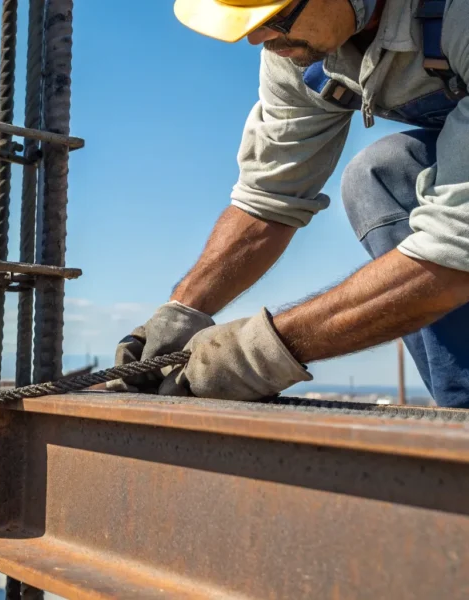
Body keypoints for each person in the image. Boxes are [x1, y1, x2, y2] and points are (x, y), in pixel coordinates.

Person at [111, 0, 469, 407]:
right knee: (383, 175)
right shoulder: (299, 55)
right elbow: (268, 198)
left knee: (384, 172)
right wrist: (183, 310)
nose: (257, 38)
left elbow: (455, 248)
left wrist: (257, 353)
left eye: (273, 18)